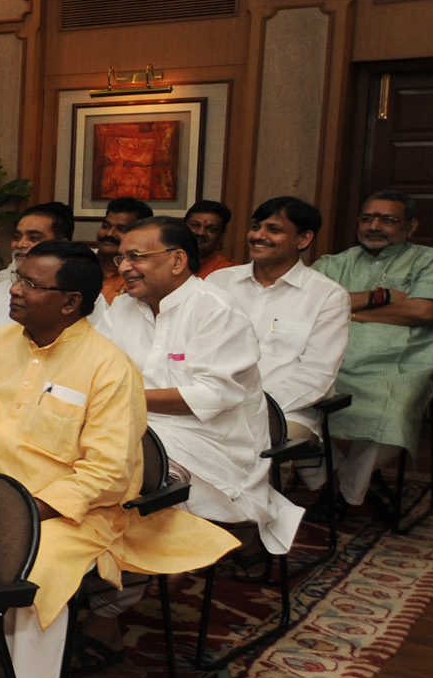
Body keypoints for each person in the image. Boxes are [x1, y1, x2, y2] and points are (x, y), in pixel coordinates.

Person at [0, 240, 236, 678]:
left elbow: (108, 474)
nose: (14, 289)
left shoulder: (109, 368)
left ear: (71, 302)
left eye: (33, 285)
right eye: (18, 278)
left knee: (37, 574)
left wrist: (22, 512)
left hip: (71, 515)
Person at [96, 217, 304, 555]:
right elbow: (96, 373)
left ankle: (150, 558)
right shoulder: (120, 308)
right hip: (133, 426)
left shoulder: (216, 310)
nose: (125, 268)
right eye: (121, 258)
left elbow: (212, 396)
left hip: (212, 442)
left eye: (136, 257)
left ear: (177, 260)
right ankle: (112, 554)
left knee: (116, 461)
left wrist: (123, 399)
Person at [316, 190, 433, 508]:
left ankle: (344, 490)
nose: (374, 226)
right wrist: (384, 297)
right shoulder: (332, 264)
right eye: (367, 218)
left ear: (411, 227)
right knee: (291, 403)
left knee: (394, 410)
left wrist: (349, 309)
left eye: (388, 219)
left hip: (408, 364)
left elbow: (425, 312)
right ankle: (344, 478)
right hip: (334, 361)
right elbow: (312, 306)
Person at [204, 196, 351, 443]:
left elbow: (317, 375)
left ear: (304, 239)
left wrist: (253, 407)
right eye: (255, 227)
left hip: (284, 411)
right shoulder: (218, 283)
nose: (259, 236)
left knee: (250, 444)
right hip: (212, 402)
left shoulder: (327, 296)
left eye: (273, 229)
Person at [0, 202, 75, 365]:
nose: (20, 244)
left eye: (34, 238)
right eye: (16, 237)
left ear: (62, 244)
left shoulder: (77, 298)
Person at [95, 197, 154, 306]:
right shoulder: (79, 263)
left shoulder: (145, 276)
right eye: (105, 226)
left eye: (121, 229)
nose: (109, 233)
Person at [186, 199, 237, 275]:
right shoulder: (164, 261)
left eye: (211, 229)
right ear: (182, 227)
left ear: (221, 235)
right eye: (195, 225)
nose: (201, 233)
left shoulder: (229, 270)